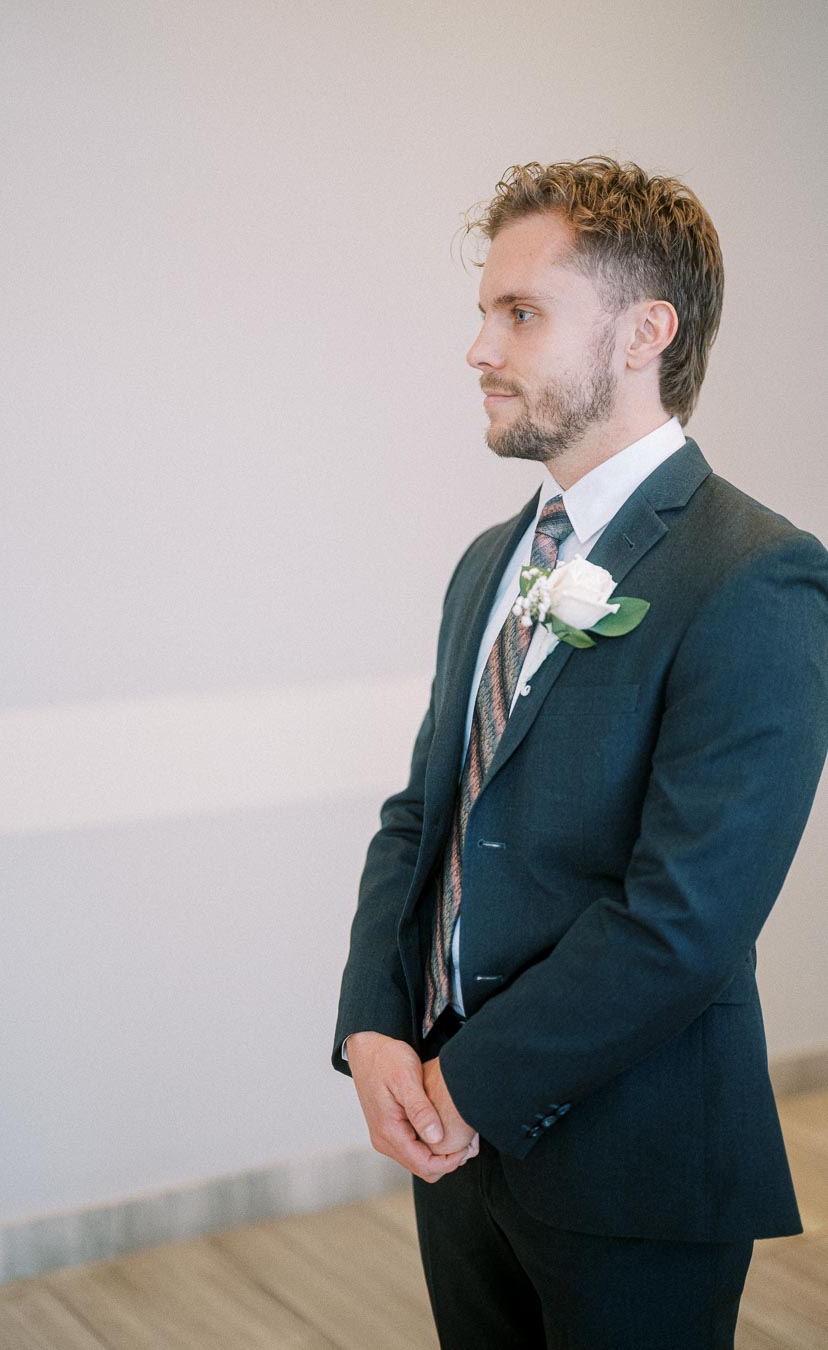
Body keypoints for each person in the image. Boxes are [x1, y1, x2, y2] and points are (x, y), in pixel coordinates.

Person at [331, 156, 828, 1349]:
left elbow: (686, 918)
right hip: (455, 1154)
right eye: (485, 313)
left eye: (521, 313)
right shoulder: (487, 564)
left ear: (645, 330)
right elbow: (424, 818)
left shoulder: (757, 574)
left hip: (633, 1167)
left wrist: (469, 1086)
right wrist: (374, 1030)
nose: (480, 350)